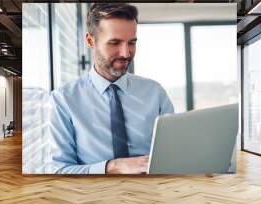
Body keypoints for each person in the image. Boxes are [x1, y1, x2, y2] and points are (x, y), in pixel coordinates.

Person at [50, 3, 174, 174]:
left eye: (132, 43)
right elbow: (60, 170)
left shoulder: (155, 92)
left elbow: (173, 153)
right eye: (114, 43)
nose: (126, 53)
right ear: (90, 41)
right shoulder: (63, 99)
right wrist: (112, 167)